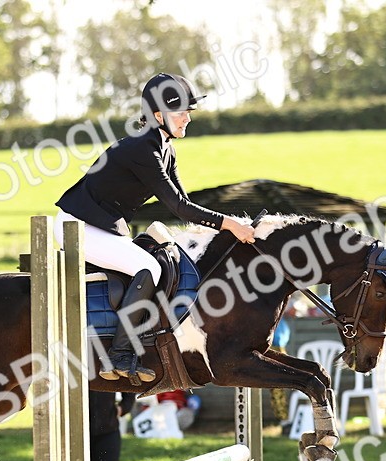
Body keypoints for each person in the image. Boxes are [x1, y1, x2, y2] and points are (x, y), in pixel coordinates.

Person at [55, 72, 257, 384]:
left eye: (189, 112)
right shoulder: (141, 149)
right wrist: (229, 224)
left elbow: (185, 204)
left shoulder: (166, 149)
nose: (187, 119)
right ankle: (119, 354)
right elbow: (178, 207)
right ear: (158, 115)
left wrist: (227, 228)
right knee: (148, 266)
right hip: (77, 225)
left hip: (101, 226)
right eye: (181, 112)